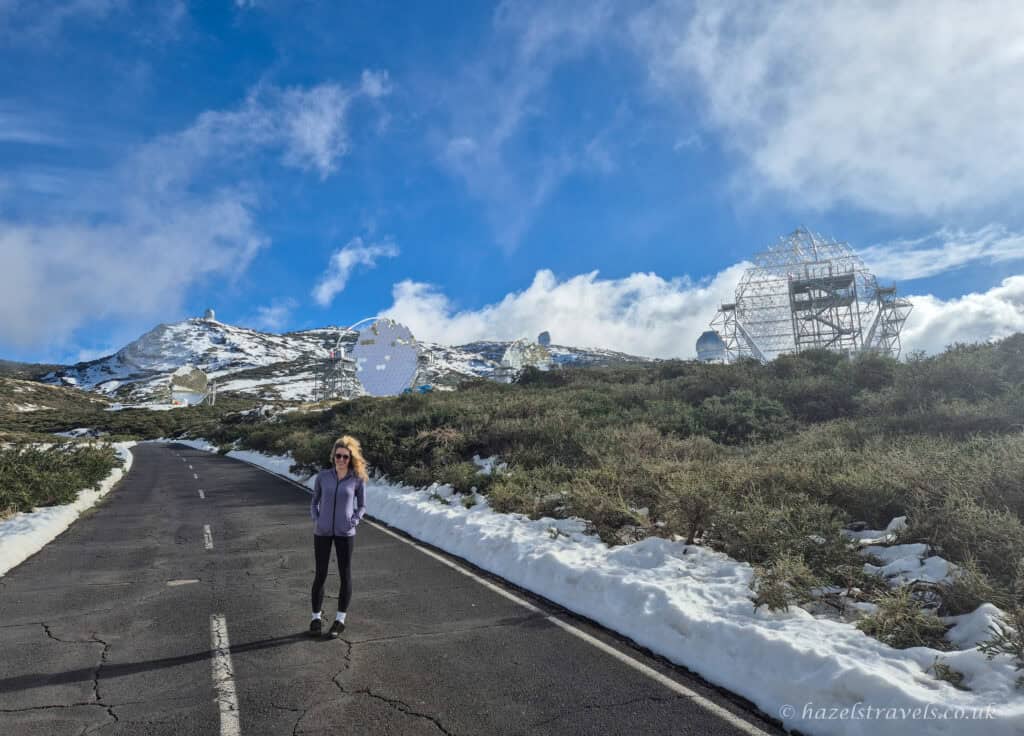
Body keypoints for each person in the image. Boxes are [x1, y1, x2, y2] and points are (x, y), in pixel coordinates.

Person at [308, 435, 368, 638]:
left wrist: (354, 520)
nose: (341, 460)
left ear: (351, 459)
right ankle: (316, 618)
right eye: (338, 456)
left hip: (345, 533)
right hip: (322, 532)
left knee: (345, 575)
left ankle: (339, 620)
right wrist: (317, 518)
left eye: (345, 457)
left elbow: (362, 506)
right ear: (333, 456)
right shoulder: (323, 477)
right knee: (320, 574)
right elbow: (314, 500)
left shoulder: (357, 479)